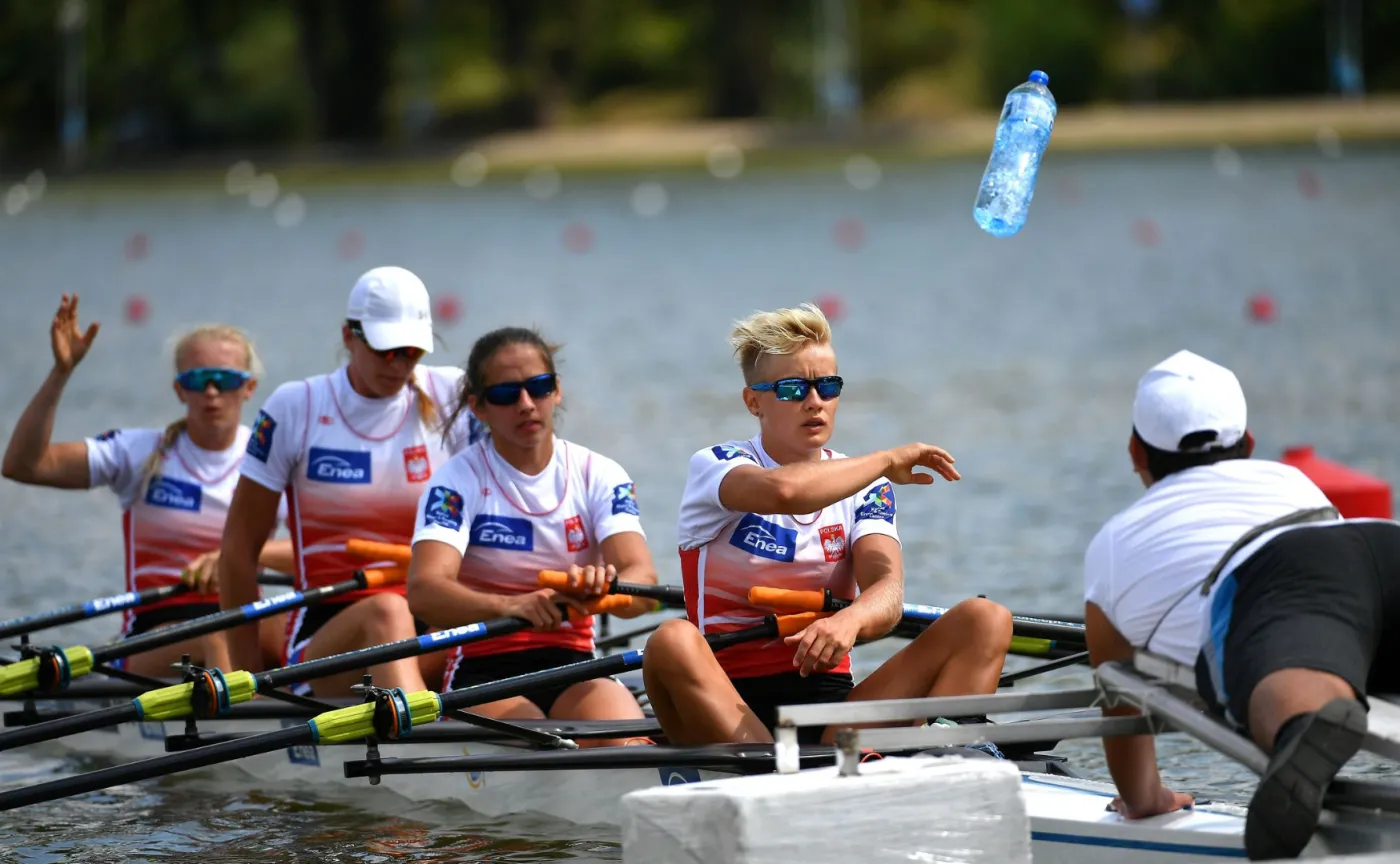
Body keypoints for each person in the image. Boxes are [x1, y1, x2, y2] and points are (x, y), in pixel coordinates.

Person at [641, 303, 1014, 747]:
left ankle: (953, 754)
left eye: (828, 386)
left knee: (985, 619)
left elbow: (888, 593)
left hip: (833, 715)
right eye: (793, 389)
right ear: (753, 401)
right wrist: (886, 460)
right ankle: (773, 767)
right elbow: (785, 492)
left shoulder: (867, 486)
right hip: (726, 704)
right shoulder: (717, 465)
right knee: (671, 639)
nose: (814, 401)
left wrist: (851, 619)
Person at [1083, 348, 1396, 860]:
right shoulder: (1290, 479)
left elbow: (1119, 689)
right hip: (1376, 540)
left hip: (1271, 583)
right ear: (1248, 443)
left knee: (1301, 681)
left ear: (1136, 451)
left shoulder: (1114, 544)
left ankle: (1302, 720)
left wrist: (1145, 798)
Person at [2, 294, 293, 676]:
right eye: (197, 380)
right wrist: (61, 373)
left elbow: (316, 549)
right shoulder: (137, 452)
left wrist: (240, 556)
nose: (211, 392)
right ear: (179, 390)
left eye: (225, 381)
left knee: (293, 628)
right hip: (153, 631)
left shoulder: (269, 457)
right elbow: (24, 465)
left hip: (238, 615)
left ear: (249, 387)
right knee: (217, 635)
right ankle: (241, 706)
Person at [219, 266, 476, 696]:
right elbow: (238, 553)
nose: (400, 364)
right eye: (385, 350)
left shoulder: (453, 395)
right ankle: (421, 721)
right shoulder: (296, 407)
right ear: (348, 336)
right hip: (328, 638)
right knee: (387, 612)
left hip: (433, 621)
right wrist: (248, 685)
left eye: (411, 351)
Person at [407, 327, 657, 743]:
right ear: (479, 407)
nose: (526, 404)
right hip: (484, 669)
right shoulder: (455, 482)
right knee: (539, 742)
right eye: (506, 394)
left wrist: (604, 589)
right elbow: (424, 591)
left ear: (556, 390)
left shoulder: (600, 474)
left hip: (575, 663)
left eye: (538, 387)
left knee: (629, 745)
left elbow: (644, 586)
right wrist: (511, 606)